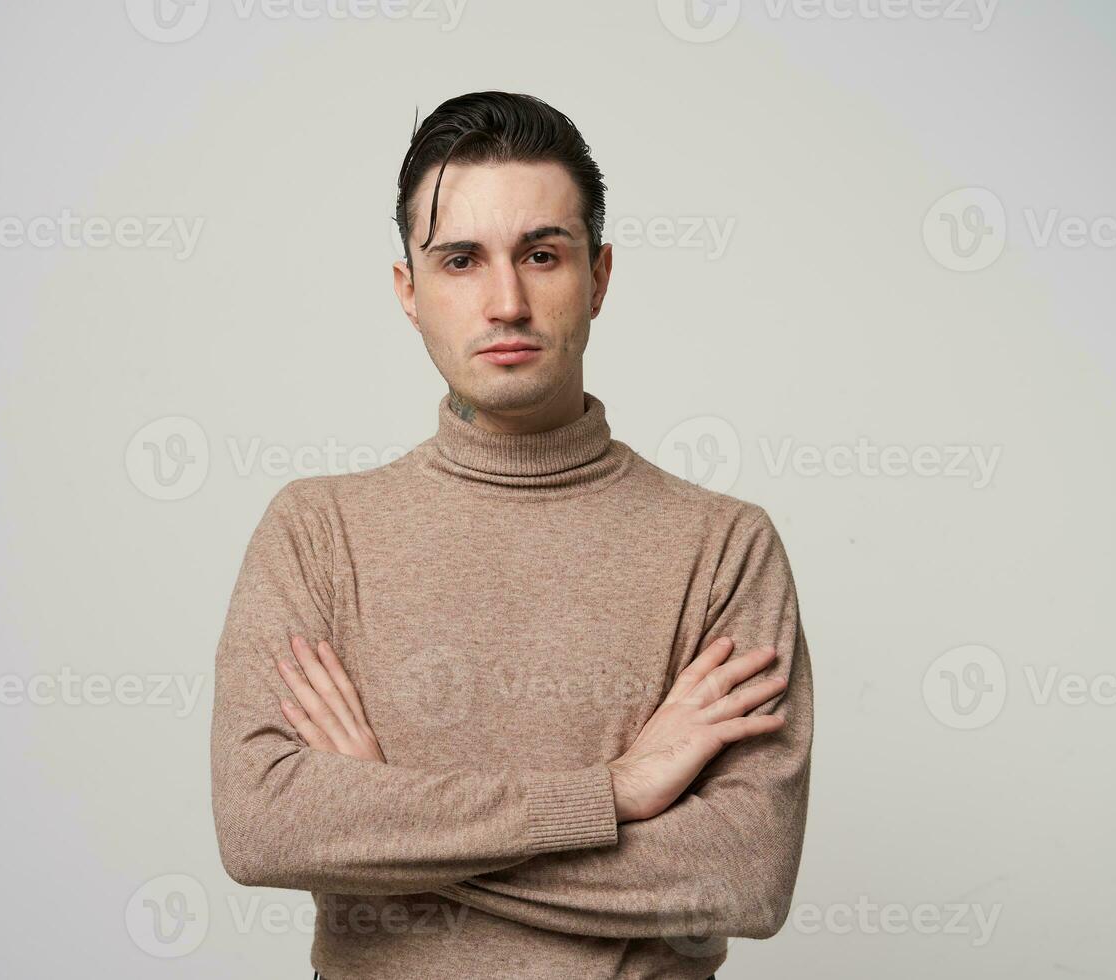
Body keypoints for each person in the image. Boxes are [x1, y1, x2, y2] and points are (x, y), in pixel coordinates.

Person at [211, 90, 813, 980]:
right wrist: (610, 796)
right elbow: (263, 827)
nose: (506, 302)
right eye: (461, 260)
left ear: (599, 277)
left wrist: (385, 825)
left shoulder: (725, 547)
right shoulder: (316, 532)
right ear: (408, 292)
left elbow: (742, 877)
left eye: (542, 254)